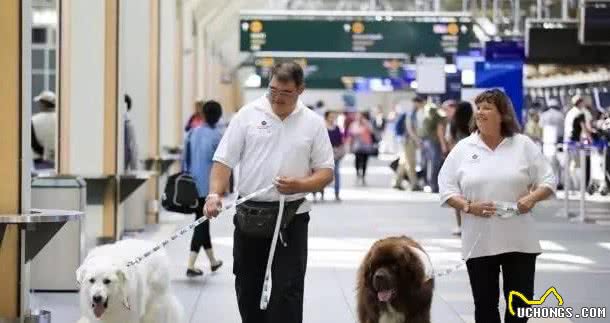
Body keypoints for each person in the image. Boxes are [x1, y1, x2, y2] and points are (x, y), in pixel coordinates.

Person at [203, 62, 334, 323]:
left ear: (300, 90)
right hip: (250, 215)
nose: (277, 98)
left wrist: (300, 185)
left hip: (292, 217)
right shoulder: (248, 115)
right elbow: (223, 161)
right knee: (248, 286)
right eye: (272, 90)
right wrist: (214, 194)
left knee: (288, 289)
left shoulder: (312, 123)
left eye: (285, 93)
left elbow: (325, 171)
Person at [438, 89, 556, 323]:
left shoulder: (522, 145)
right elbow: (446, 188)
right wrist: (469, 206)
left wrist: (531, 199)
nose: (480, 113)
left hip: (519, 240)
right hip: (479, 241)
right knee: (485, 308)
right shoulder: (464, 148)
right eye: (478, 108)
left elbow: (549, 181)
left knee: (520, 308)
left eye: (487, 108)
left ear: (502, 114)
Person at [182, 100, 224, 277]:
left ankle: (213, 261)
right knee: (201, 223)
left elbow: (185, 160)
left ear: (204, 115)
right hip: (209, 187)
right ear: (219, 116)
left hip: (192, 184)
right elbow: (221, 163)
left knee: (202, 221)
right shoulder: (218, 136)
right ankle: (190, 266)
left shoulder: (192, 133)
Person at [444, 101, 473, 236]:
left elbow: (449, 140)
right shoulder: (475, 125)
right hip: (474, 163)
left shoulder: (453, 125)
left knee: (457, 196)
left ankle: (461, 226)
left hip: (457, 164)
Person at [421, 102, 447, 193]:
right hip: (434, 142)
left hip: (426, 141)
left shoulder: (427, 116)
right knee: (436, 163)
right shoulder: (439, 116)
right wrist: (443, 145)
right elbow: (440, 131)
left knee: (430, 164)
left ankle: (431, 184)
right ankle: (435, 186)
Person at [347, 112, 375, 186]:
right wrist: (349, 145)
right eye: (358, 117)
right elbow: (350, 135)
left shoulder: (367, 124)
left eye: (361, 117)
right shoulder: (353, 124)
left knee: (365, 161)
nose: (359, 118)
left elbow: (372, 131)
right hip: (357, 146)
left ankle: (363, 176)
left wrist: (366, 124)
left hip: (366, 145)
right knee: (357, 161)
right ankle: (357, 174)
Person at [32, 90, 57, 169]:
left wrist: (44, 154)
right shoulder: (63, 120)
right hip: (60, 160)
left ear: (43, 104)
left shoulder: (33, 120)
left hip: (40, 161)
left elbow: (33, 143)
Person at [325, 110, 345, 201]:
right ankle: (321, 192)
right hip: (325, 155)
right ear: (326, 118)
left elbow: (340, 142)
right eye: (330, 117)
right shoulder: (323, 128)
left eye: (334, 117)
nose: (332, 119)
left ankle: (337, 193)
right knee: (324, 174)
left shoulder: (337, 128)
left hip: (336, 154)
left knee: (336, 173)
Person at [124, 94, 139, 171]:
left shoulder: (128, 125)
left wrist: (134, 171)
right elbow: (133, 149)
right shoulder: (128, 124)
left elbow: (132, 149)